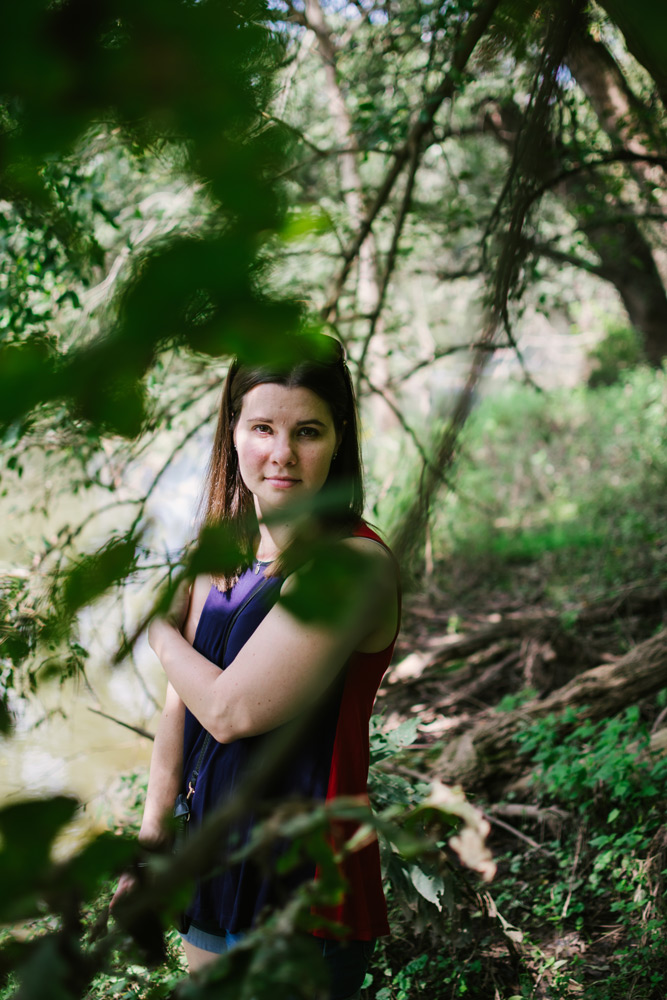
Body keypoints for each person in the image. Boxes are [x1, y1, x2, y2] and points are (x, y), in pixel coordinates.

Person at [113, 334, 400, 999]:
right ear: (233, 431)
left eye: (308, 432)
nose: (282, 453)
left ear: (339, 439)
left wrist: (156, 629)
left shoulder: (352, 564)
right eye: (263, 427)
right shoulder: (223, 553)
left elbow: (228, 710)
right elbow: (181, 706)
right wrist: (152, 840)